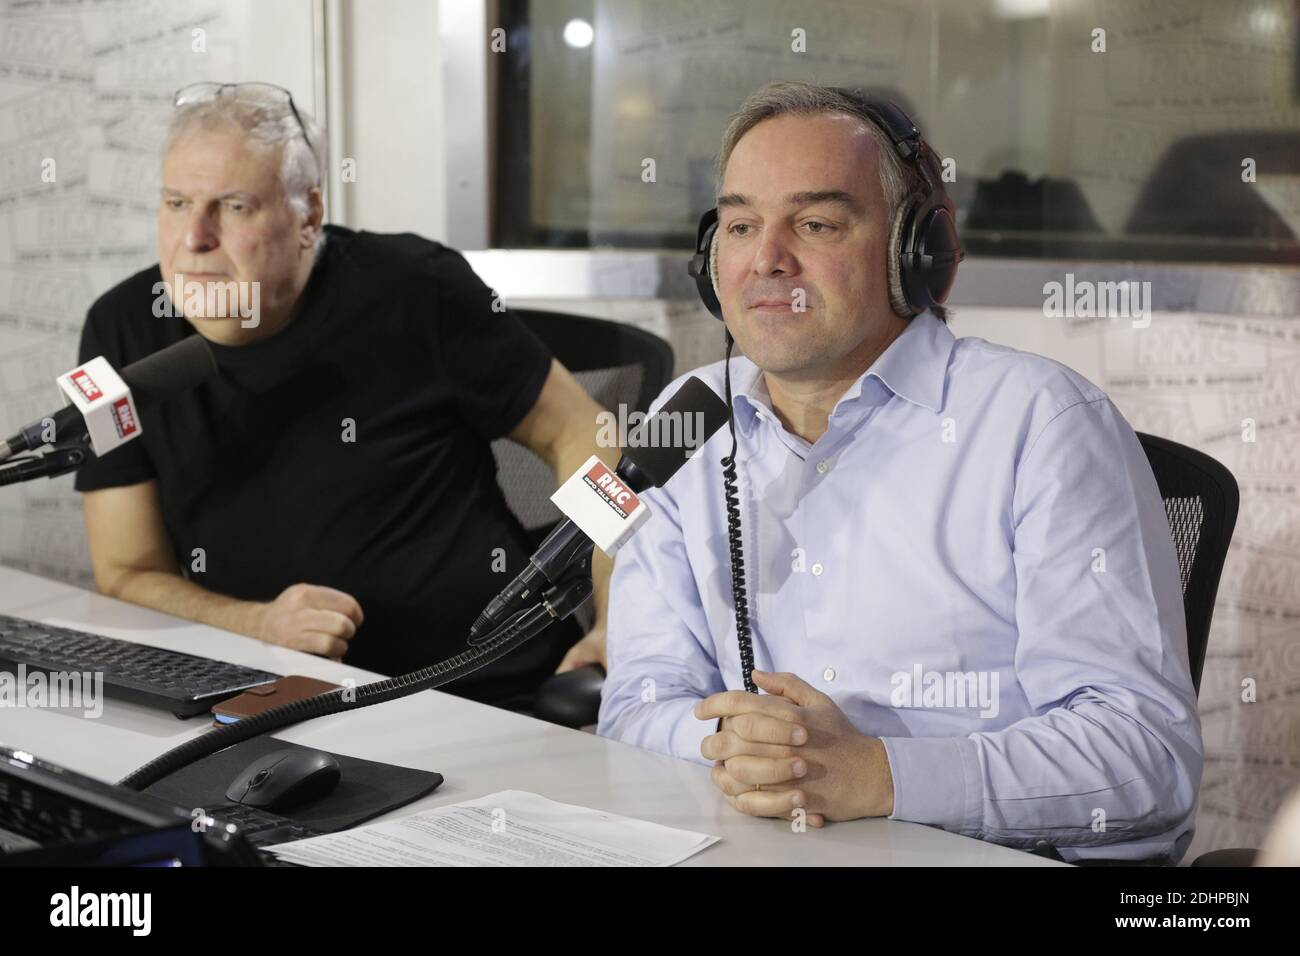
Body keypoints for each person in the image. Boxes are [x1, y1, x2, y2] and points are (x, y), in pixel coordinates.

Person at [598, 82, 1202, 863]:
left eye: (815, 224)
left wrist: (883, 776)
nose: (767, 259)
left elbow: (1144, 756)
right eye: (741, 225)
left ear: (915, 251)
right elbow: (636, 703)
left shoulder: (1042, 423)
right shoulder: (686, 423)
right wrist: (750, 750)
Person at [76, 82, 610, 709]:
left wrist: (620, 618)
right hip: (266, 701)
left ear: (308, 217)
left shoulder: (418, 288)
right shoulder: (118, 331)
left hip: (484, 689)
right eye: (176, 203)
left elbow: (584, 432)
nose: (193, 237)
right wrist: (256, 624)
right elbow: (126, 570)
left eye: (235, 206)